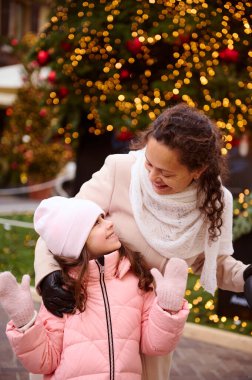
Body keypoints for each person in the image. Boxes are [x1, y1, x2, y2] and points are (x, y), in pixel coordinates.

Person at [34, 103, 252, 380]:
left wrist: (246, 276)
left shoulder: (215, 202)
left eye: (166, 172)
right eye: (149, 162)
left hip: (151, 331)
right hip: (90, 323)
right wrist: (49, 276)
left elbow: (210, 262)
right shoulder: (120, 170)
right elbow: (59, 226)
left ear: (198, 169)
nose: (151, 176)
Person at [0, 197, 189, 379]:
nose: (109, 224)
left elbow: (156, 345)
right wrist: (25, 322)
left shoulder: (135, 280)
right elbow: (44, 361)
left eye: (103, 218)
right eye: (96, 223)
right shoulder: (62, 291)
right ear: (75, 242)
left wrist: (167, 307)